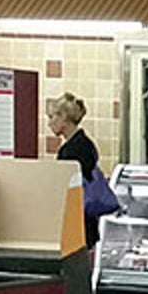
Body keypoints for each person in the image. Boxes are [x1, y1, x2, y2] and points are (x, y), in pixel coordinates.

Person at [48, 92, 114, 247]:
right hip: (89, 222)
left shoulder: (71, 151)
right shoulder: (86, 143)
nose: (49, 123)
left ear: (63, 118)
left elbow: (64, 188)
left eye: (52, 117)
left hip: (77, 222)